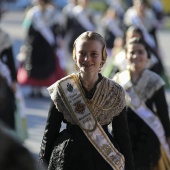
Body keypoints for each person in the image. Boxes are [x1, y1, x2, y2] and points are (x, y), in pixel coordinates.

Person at [39, 31, 134, 170]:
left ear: (103, 56)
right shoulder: (63, 88)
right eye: (82, 53)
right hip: (68, 159)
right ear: (74, 55)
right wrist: (42, 164)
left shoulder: (115, 92)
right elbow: (50, 132)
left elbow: (122, 136)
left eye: (93, 54)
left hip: (103, 160)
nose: (87, 58)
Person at [113, 37, 170, 169]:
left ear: (147, 56)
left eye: (140, 52)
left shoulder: (155, 80)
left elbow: (162, 111)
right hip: (123, 135)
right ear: (126, 55)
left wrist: (168, 135)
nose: (136, 56)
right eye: (132, 52)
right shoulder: (118, 80)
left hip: (148, 136)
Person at [17, 0, 65, 97]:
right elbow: (27, 28)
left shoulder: (52, 12)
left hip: (46, 46)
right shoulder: (32, 12)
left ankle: (40, 88)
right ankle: (34, 88)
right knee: (33, 65)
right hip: (34, 44)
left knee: (45, 66)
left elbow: (57, 29)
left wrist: (57, 42)